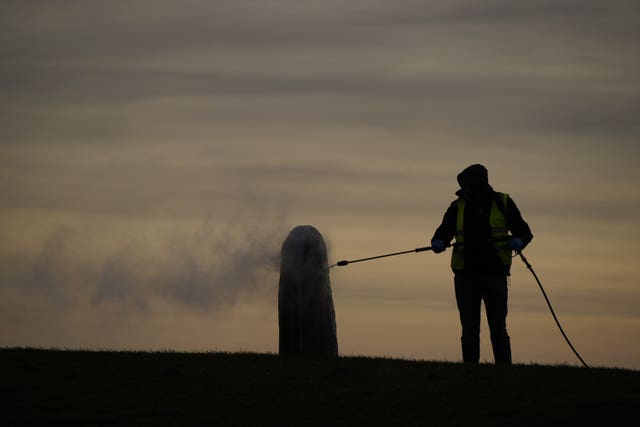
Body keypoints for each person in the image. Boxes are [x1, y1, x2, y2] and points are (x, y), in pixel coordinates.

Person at [431, 164, 533, 364]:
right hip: (465, 275)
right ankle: (471, 369)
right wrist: (438, 241)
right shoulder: (457, 206)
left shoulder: (503, 202)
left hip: (494, 275)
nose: (464, 189)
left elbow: (524, 231)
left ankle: (503, 369)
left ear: (478, 183)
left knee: (497, 326)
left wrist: (519, 241)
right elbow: (443, 231)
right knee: (469, 327)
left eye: (467, 184)